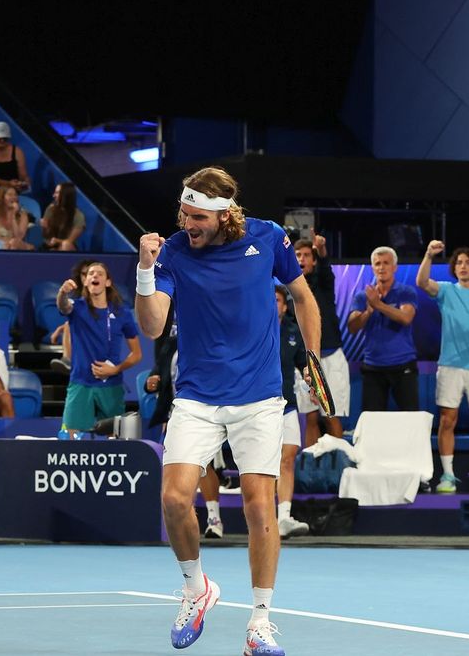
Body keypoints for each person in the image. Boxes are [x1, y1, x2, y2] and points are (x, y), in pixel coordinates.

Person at [134, 166, 321, 655]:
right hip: (196, 395)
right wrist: (145, 269)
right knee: (174, 499)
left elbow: (302, 296)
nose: (184, 221)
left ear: (223, 215)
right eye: (182, 212)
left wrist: (313, 359)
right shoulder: (173, 250)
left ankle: (259, 624)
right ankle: (196, 588)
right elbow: (153, 327)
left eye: (195, 215)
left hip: (259, 395)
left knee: (260, 504)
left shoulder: (269, 239)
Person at [417, 241, 469, 494]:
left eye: (467, 262)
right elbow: (422, 282)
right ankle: (448, 476)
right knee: (447, 420)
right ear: (454, 268)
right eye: (459, 263)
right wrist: (429, 255)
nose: (463, 266)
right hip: (450, 366)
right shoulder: (445, 291)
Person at [56, 259, 142, 433]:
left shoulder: (122, 313)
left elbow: (136, 354)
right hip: (80, 383)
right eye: (90, 274)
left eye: (100, 273)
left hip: (111, 386)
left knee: (116, 441)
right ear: (85, 281)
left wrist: (116, 369)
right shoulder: (76, 308)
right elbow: (63, 306)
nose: (94, 275)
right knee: (70, 439)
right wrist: (62, 293)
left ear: (108, 282)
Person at [348, 246, 419, 412]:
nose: (381, 267)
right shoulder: (363, 296)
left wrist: (378, 305)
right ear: (372, 267)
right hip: (373, 367)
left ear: (394, 267)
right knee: (372, 421)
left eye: (386, 263)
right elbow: (352, 327)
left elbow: (406, 318)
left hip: (403, 366)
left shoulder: (405, 292)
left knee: (410, 420)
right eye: (377, 263)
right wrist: (368, 312)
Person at [292, 234, 348, 442]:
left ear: (313, 260)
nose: (302, 259)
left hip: (331, 357)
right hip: (305, 362)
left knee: (330, 415)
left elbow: (325, 267)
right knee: (311, 417)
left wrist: (321, 248)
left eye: (307, 255)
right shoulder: (291, 291)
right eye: (298, 255)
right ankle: (310, 469)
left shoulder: (324, 283)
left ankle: (339, 468)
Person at [268, 285, 312, 538]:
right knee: (266, 463)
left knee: (288, 457)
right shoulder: (252, 329)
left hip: (288, 405)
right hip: (259, 407)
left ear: (285, 306)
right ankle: (265, 517)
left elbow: (304, 365)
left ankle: (283, 517)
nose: (274, 304)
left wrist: (311, 380)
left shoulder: (294, 333)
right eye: (270, 299)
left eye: (278, 300)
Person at [40, 182, 84, 251]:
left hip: (67, 247)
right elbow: (46, 236)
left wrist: (57, 241)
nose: (53, 195)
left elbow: (70, 241)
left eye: (57, 193)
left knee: (65, 244)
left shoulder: (78, 215)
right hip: (49, 246)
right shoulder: (50, 209)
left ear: (66, 195)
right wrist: (45, 228)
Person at [0, 185, 32, 250]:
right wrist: (9, 243)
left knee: (14, 243)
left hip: (18, 246)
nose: (13, 197)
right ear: (2, 197)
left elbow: (19, 237)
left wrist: (13, 216)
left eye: (15, 195)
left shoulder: (23, 215)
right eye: (10, 195)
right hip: (0, 247)